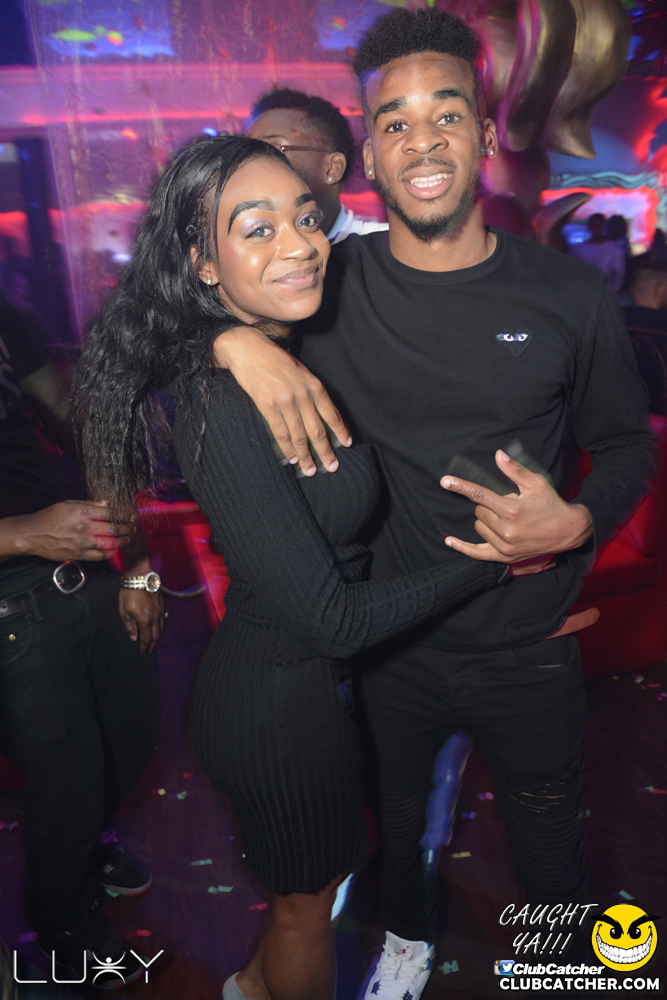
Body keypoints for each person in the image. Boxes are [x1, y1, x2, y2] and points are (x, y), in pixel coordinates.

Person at [210, 10, 655, 999]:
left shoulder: (565, 296)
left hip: (527, 648)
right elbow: (169, 308)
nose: (422, 141)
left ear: (484, 133)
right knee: (398, 834)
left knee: (550, 859)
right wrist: (230, 342)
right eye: (395, 121)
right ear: (368, 151)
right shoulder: (325, 289)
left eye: (445, 114)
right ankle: (406, 948)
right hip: (389, 650)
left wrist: (578, 521)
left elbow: (626, 444)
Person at [72, 133, 552, 1000]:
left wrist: (227, 338)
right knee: (306, 910)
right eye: (257, 229)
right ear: (203, 262)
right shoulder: (225, 401)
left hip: (306, 689)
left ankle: (247, 989)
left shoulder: (283, 345)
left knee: (308, 896)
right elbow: (330, 618)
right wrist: (493, 561)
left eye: (304, 219)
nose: (299, 244)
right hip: (276, 705)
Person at [0, 294, 162, 989]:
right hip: (11, 599)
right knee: (67, 773)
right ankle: (62, 924)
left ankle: (85, 847)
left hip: (82, 564)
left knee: (133, 733)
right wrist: (24, 534)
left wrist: (140, 566)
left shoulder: (7, 315)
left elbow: (74, 425)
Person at [246, 87, 387, 242]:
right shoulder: (242, 247)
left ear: (333, 168)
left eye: (273, 149)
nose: (250, 164)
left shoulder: (385, 247)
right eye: (246, 152)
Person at [569, 212, 625, 292]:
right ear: (589, 227)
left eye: (598, 226)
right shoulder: (578, 249)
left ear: (604, 227)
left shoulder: (614, 250)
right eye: (594, 226)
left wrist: (611, 293)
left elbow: (618, 274)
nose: (596, 230)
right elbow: (572, 272)